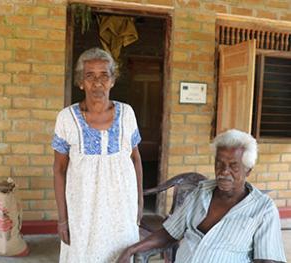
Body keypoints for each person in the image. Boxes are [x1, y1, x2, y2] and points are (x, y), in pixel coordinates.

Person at [118, 129, 286, 263]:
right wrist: (132, 249)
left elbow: (266, 260)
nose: (223, 172)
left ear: (248, 169)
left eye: (233, 166)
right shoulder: (200, 193)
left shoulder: (263, 209)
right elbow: (169, 233)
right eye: (219, 164)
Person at [52, 47, 144, 262]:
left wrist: (139, 203)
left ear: (112, 80)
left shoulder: (127, 113)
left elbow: (135, 159)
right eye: (90, 76)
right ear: (80, 82)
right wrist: (63, 220)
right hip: (83, 213)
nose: (97, 83)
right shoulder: (66, 119)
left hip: (121, 210)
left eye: (104, 75)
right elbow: (59, 170)